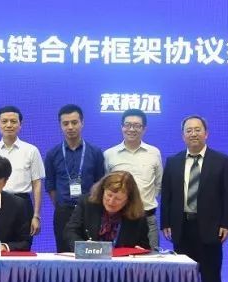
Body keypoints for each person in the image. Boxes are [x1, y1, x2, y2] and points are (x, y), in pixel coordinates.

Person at [161, 115, 228, 282]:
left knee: (211, 275)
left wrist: (226, 223)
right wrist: (166, 222)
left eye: (197, 129)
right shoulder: (173, 161)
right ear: (183, 135)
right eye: (189, 130)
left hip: (210, 227)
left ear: (206, 133)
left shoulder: (221, 161)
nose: (193, 133)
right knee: (183, 277)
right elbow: (167, 195)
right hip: (181, 227)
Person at [44, 104, 105, 252]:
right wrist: (62, 203)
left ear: (82, 123)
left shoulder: (95, 152)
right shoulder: (52, 154)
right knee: (64, 253)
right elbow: (50, 186)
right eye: (65, 123)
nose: (70, 127)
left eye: (74, 122)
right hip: (63, 212)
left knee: (91, 252)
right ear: (60, 125)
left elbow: (100, 182)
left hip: (90, 211)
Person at [0, 106, 45, 241]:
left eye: (13, 121)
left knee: (23, 245)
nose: (9, 125)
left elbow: (37, 184)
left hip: (22, 204)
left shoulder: (31, 150)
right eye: (4, 121)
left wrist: (36, 215)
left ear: (20, 124)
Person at [104, 109, 163, 249]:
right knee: (117, 260)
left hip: (147, 218)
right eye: (127, 125)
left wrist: (144, 200)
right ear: (122, 127)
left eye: (137, 125)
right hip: (118, 220)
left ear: (144, 129)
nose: (131, 129)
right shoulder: (109, 154)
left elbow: (158, 184)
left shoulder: (154, 153)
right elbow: (105, 186)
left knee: (151, 259)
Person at [64, 171, 150, 249]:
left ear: (128, 200)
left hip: (123, 260)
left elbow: (144, 245)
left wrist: (140, 252)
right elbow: (70, 231)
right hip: (90, 258)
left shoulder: (137, 215)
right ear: (102, 191)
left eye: (118, 199)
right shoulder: (87, 203)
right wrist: (83, 247)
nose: (111, 201)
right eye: (109, 195)